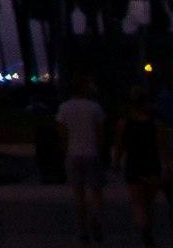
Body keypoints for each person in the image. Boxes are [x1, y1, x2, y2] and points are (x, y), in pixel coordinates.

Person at [62, 76, 112, 244]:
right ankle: (96, 218)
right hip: (92, 153)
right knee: (97, 192)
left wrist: (66, 149)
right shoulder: (95, 108)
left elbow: (62, 133)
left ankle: (83, 230)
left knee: (79, 194)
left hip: (73, 153)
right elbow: (101, 134)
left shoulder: (64, 108)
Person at [122, 88, 169, 244]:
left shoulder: (124, 122)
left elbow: (120, 144)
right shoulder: (155, 123)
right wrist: (166, 165)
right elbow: (162, 146)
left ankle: (143, 228)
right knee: (149, 203)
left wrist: (116, 161)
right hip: (152, 163)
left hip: (134, 163)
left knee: (138, 203)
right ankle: (148, 229)